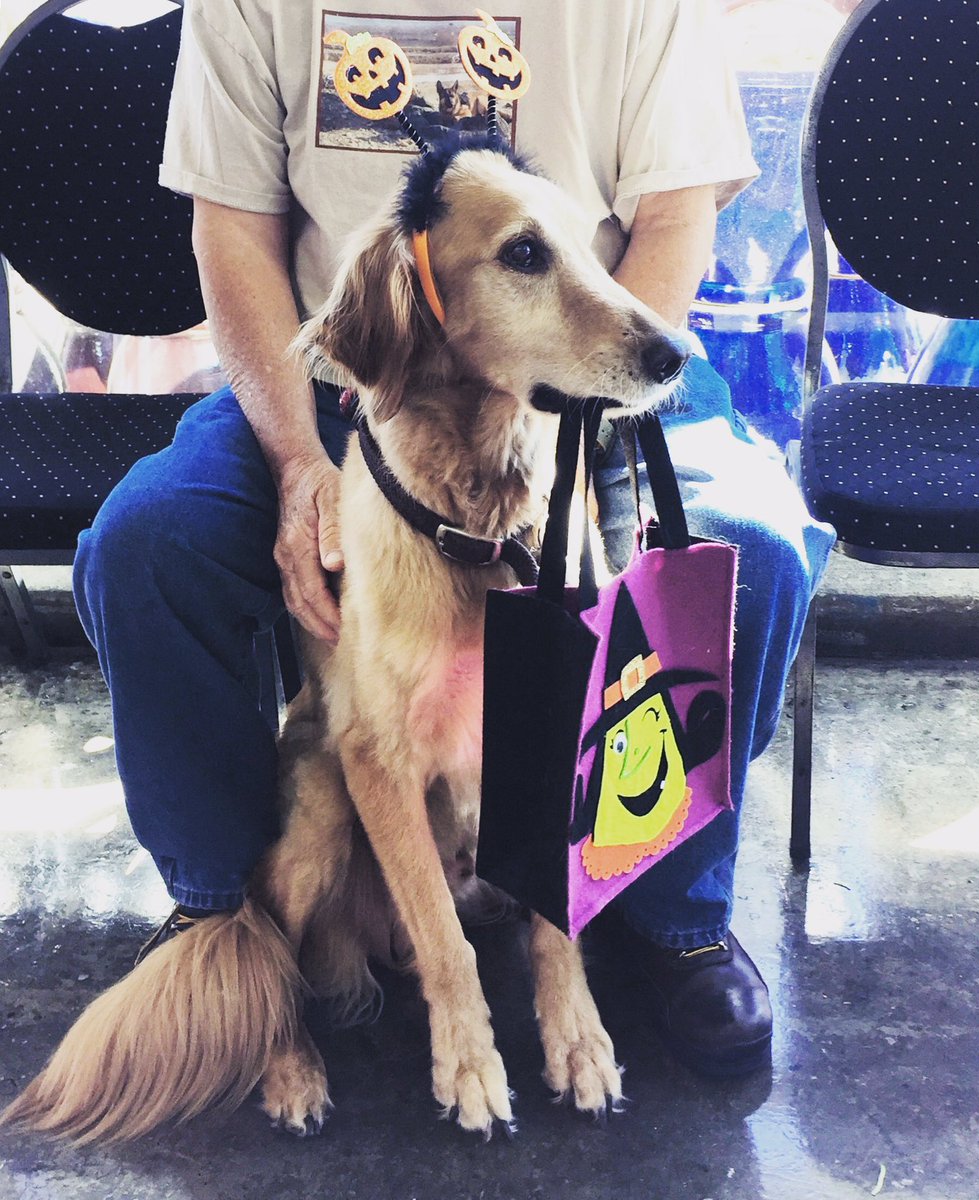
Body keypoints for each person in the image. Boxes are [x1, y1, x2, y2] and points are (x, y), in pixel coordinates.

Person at [73, 0, 834, 1081]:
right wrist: (297, 462)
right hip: (347, 374)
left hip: (589, 366)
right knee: (144, 547)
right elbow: (230, 230)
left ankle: (669, 915)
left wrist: (579, 418)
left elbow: (672, 218)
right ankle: (216, 908)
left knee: (750, 549)